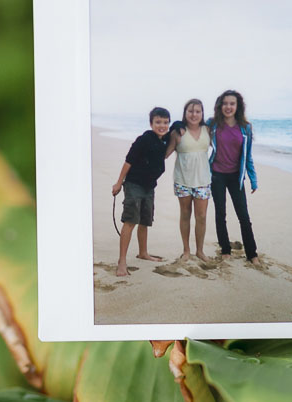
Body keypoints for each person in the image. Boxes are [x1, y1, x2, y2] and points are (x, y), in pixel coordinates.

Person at [111, 107, 170, 276]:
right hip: (134, 185)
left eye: (165, 122)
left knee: (145, 221)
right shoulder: (143, 140)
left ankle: (143, 252)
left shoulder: (164, 141)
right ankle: (122, 261)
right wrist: (118, 182)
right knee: (130, 220)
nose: (162, 126)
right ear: (151, 123)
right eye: (158, 122)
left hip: (149, 187)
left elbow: (176, 132)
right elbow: (128, 161)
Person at [207, 90, 260, 266]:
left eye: (232, 103)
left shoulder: (246, 128)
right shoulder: (212, 124)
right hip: (216, 175)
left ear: (238, 106)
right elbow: (192, 129)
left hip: (236, 177)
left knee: (243, 216)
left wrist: (253, 178)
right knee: (220, 213)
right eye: (225, 103)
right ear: (220, 105)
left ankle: (252, 253)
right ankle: (225, 250)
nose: (228, 107)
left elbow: (248, 155)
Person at [165, 99, 211, 262]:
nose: (194, 114)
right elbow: (164, 153)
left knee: (202, 216)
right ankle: (186, 250)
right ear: (185, 113)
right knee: (185, 214)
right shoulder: (178, 132)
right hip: (182, 180)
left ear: (202, 114)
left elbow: (225, 146)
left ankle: (200, 251)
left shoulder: (208, 130)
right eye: (190, 111)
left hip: (203, 181)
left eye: (198, 111)